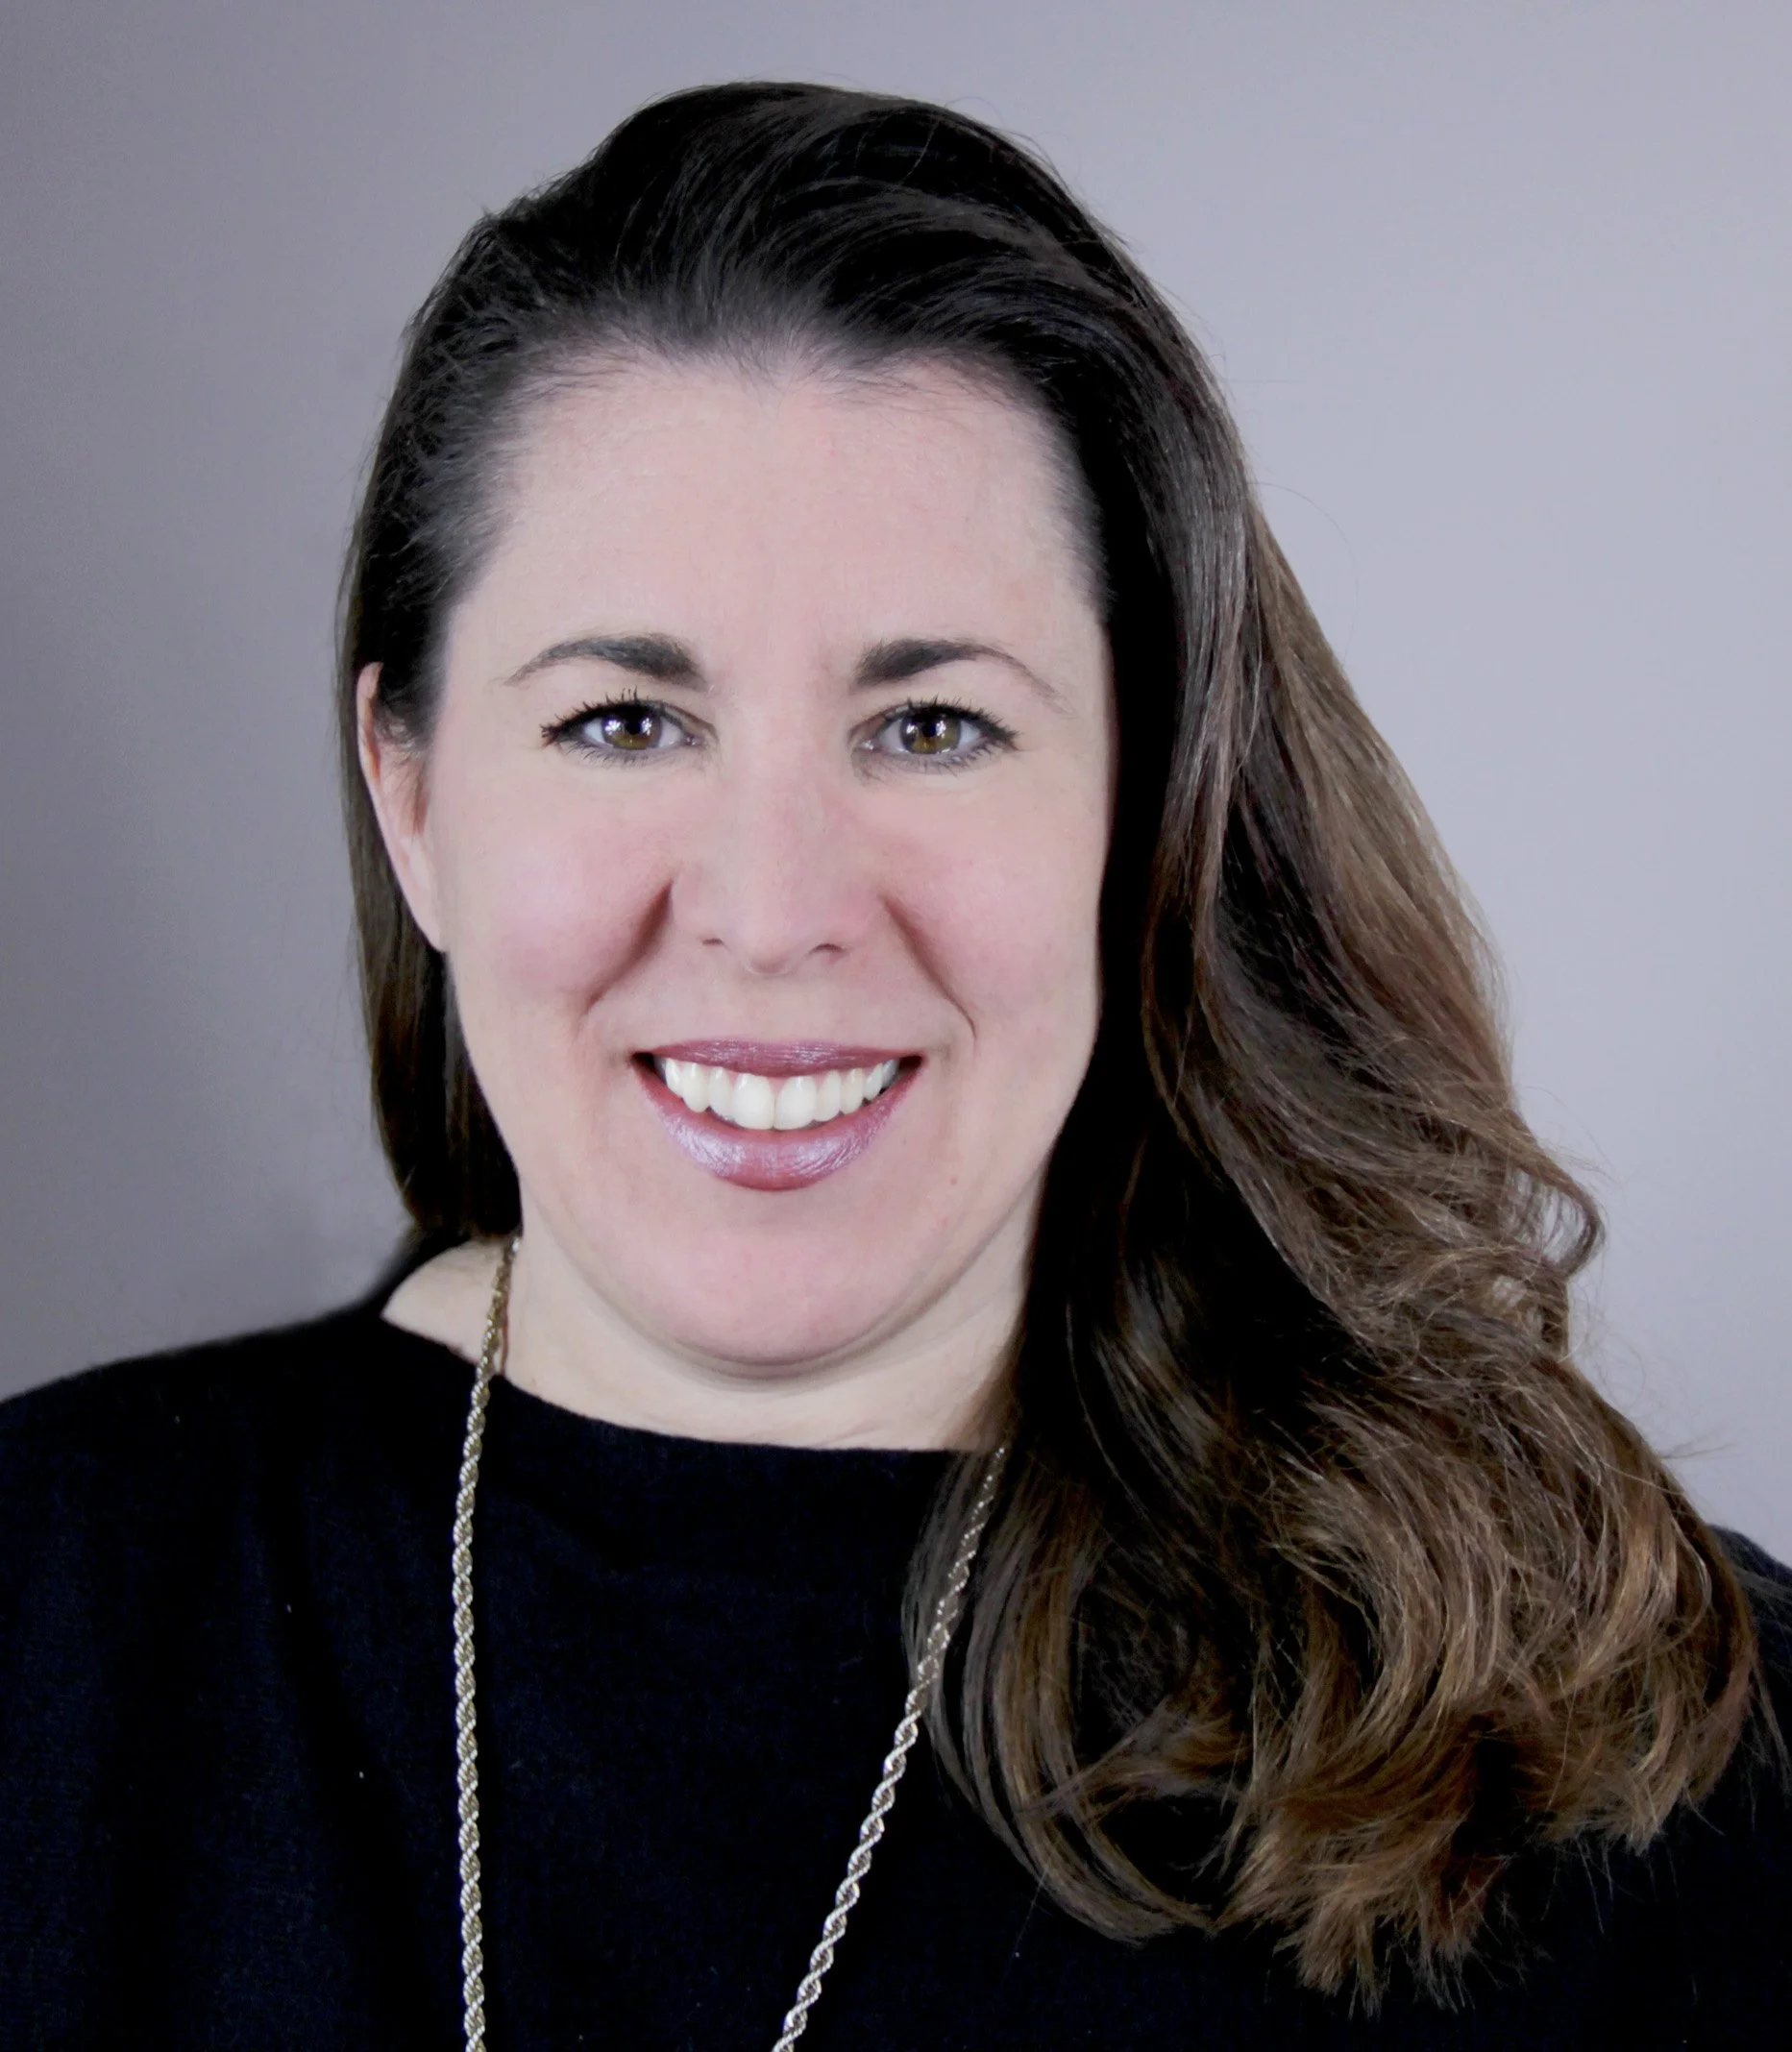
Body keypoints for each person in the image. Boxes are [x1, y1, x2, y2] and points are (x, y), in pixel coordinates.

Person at [1, 79, 1786, 2052]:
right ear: (411, 795)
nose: (773, 911)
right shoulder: (41, 1617)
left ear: (1143, 810)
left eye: (930, 726)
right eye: (620, 722)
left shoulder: (1638, 1751)